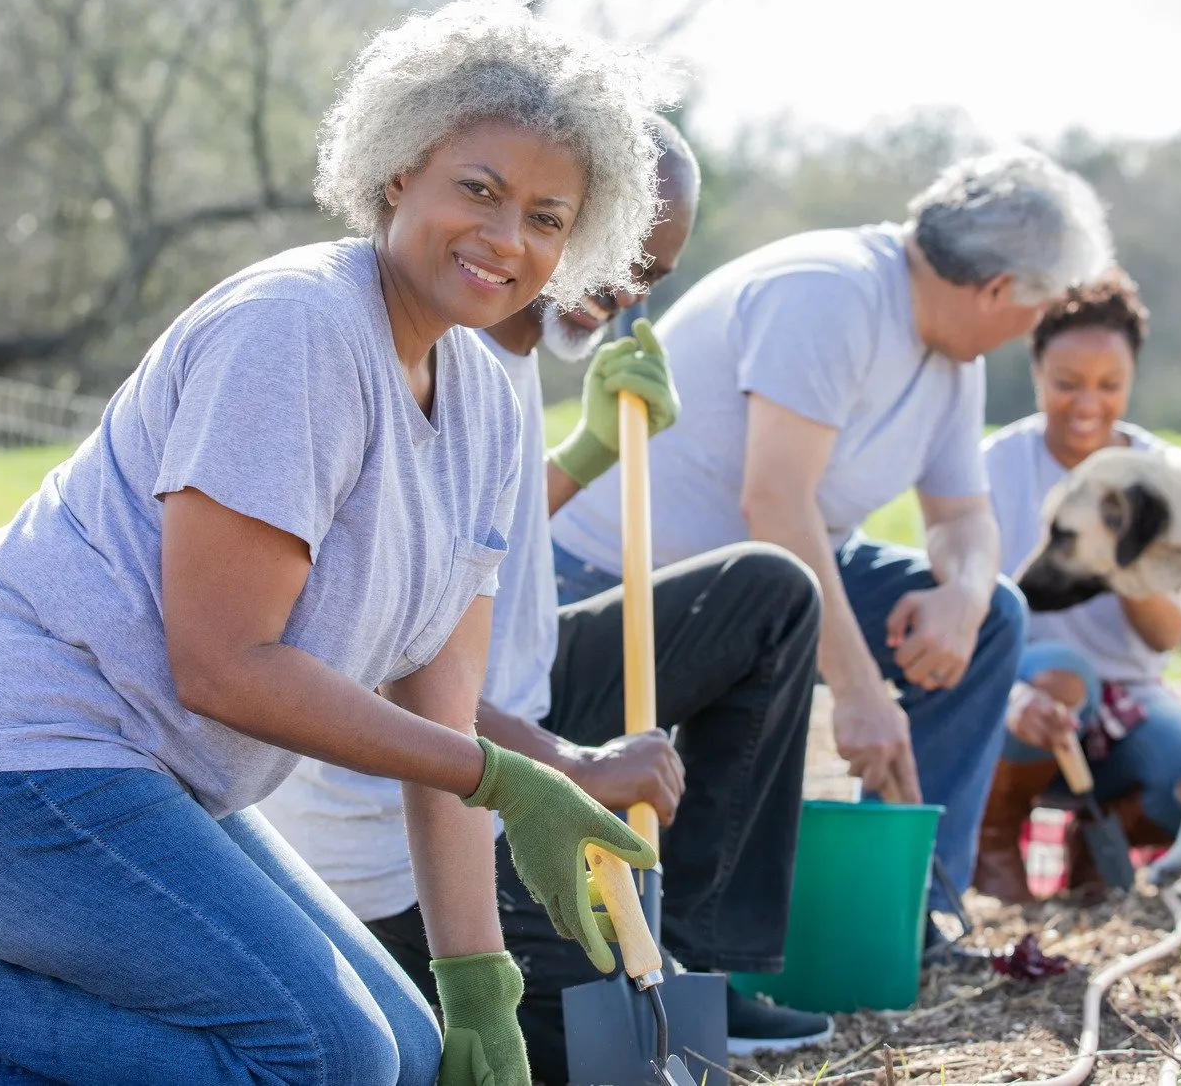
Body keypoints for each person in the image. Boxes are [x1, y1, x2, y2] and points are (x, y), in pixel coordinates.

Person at [0, 0, 669, 1086]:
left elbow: (434, 712)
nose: (506, 238)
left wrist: (479, 986)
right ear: (400, 173)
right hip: (17, 743)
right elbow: (224, 663)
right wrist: (517, 780)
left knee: (396, 1051)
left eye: (546, 216)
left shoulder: (485, 403)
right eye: (477, 190)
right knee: (321, 1054)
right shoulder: (294, 328)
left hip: (149, 773)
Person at [261, 117, 832, 1083]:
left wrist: (585, 456)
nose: (627, 289)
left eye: (652, 266)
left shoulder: (506, 358)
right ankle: (631, 960)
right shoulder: (439, 340)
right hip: (408, 796)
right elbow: (389, 659)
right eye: (619, 253)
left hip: (514, 684)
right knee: (633, 1049)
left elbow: (484, 550)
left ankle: (699, 950)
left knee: (766, 593)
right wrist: (568, 767)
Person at [549, 148, 1115, 957]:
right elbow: (774, 503)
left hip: (775, 576)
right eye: (1040, 308)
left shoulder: (955, 359)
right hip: (621, 579)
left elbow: (964, 516)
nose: (1035, 327)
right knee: (785, 601)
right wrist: (857, 690)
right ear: (995, 290)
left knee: (995, 620)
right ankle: (724, 940)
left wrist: (963, 593)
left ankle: (907, 910)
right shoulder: (833, 292)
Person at [972, 270, 1181, 903]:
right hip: (1022, 693)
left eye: (1110, 385)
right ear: (1036, 368)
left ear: (1133, 378)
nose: (1087, 403)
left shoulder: (1163, 477)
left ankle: (1095, 842)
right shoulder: (995, 466)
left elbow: (1169, 630)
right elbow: (973, 607)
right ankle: (996, 835)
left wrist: (1115, 552)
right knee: (1064, 672)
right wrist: (1010, 696)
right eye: (1066, 384)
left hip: (1130, 694)